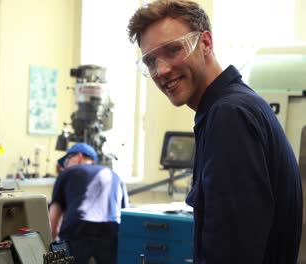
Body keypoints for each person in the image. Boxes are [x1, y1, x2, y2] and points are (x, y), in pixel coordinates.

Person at [127, 1, 302, 263]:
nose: (161, 70)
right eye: (151, 61)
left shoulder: (229, 116)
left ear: (206, 43)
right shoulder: (233, 107)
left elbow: (233, 252)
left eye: (173, 50)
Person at [49, 142, 128, 264]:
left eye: (66, 162)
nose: (65, 166)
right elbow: (125, 214)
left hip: (77, 230)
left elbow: (53, 220)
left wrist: (50, 246)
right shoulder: (114, 175)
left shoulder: (67, 173)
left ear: (79, 157)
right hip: (111, 231)